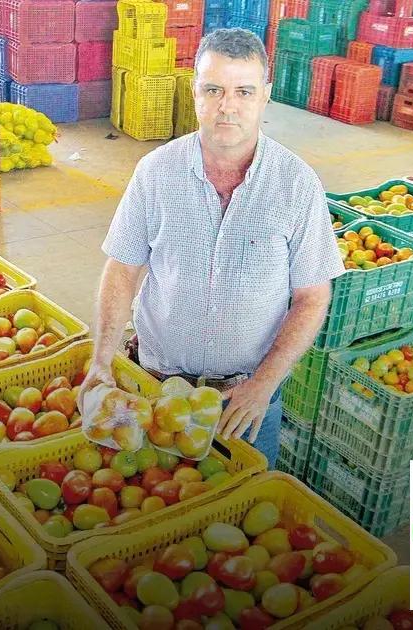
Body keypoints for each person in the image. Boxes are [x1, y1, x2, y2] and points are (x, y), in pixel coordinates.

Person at [77, 28, 344, 467]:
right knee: (156, 504)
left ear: (265, 97)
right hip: (156, 387)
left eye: (244, 91)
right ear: (194, 91)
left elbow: (313, 298)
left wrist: (263, 386)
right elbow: (122, 270)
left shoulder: (296, 184)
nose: (227, 106)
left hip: (246, 398)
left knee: (242, 511)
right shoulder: (156, 172)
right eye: (213, 89)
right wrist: (102, 359)